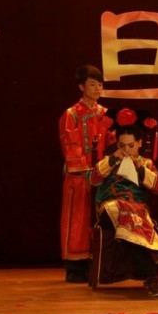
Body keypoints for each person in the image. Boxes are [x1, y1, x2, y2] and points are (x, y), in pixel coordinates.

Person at [90, 108, 158, 296]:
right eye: (122, 146)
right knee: (121, 208)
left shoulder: (146, 164)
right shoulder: (109, 161)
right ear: (117, 144)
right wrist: (113, 159)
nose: (126, 150)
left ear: (139, 143)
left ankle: (151, 277)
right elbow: (93, 179)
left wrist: (140, 170)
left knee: (134, 216)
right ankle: (152, 272)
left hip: (137, 210)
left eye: (131, 146)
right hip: (111, 208)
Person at [59, 65, 109, 283]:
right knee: (77, 220)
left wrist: (105, 169)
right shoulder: (71, 114)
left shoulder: (106, 114)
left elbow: (111, 143)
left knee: (99, 218)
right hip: (79, 177)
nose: (97, 88)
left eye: (100, 84)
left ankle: (97, 264)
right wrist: (87, 171)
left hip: (102, 175)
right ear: (81, 87)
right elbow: (71, 145)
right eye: (92, 84)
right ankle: (74, 267)